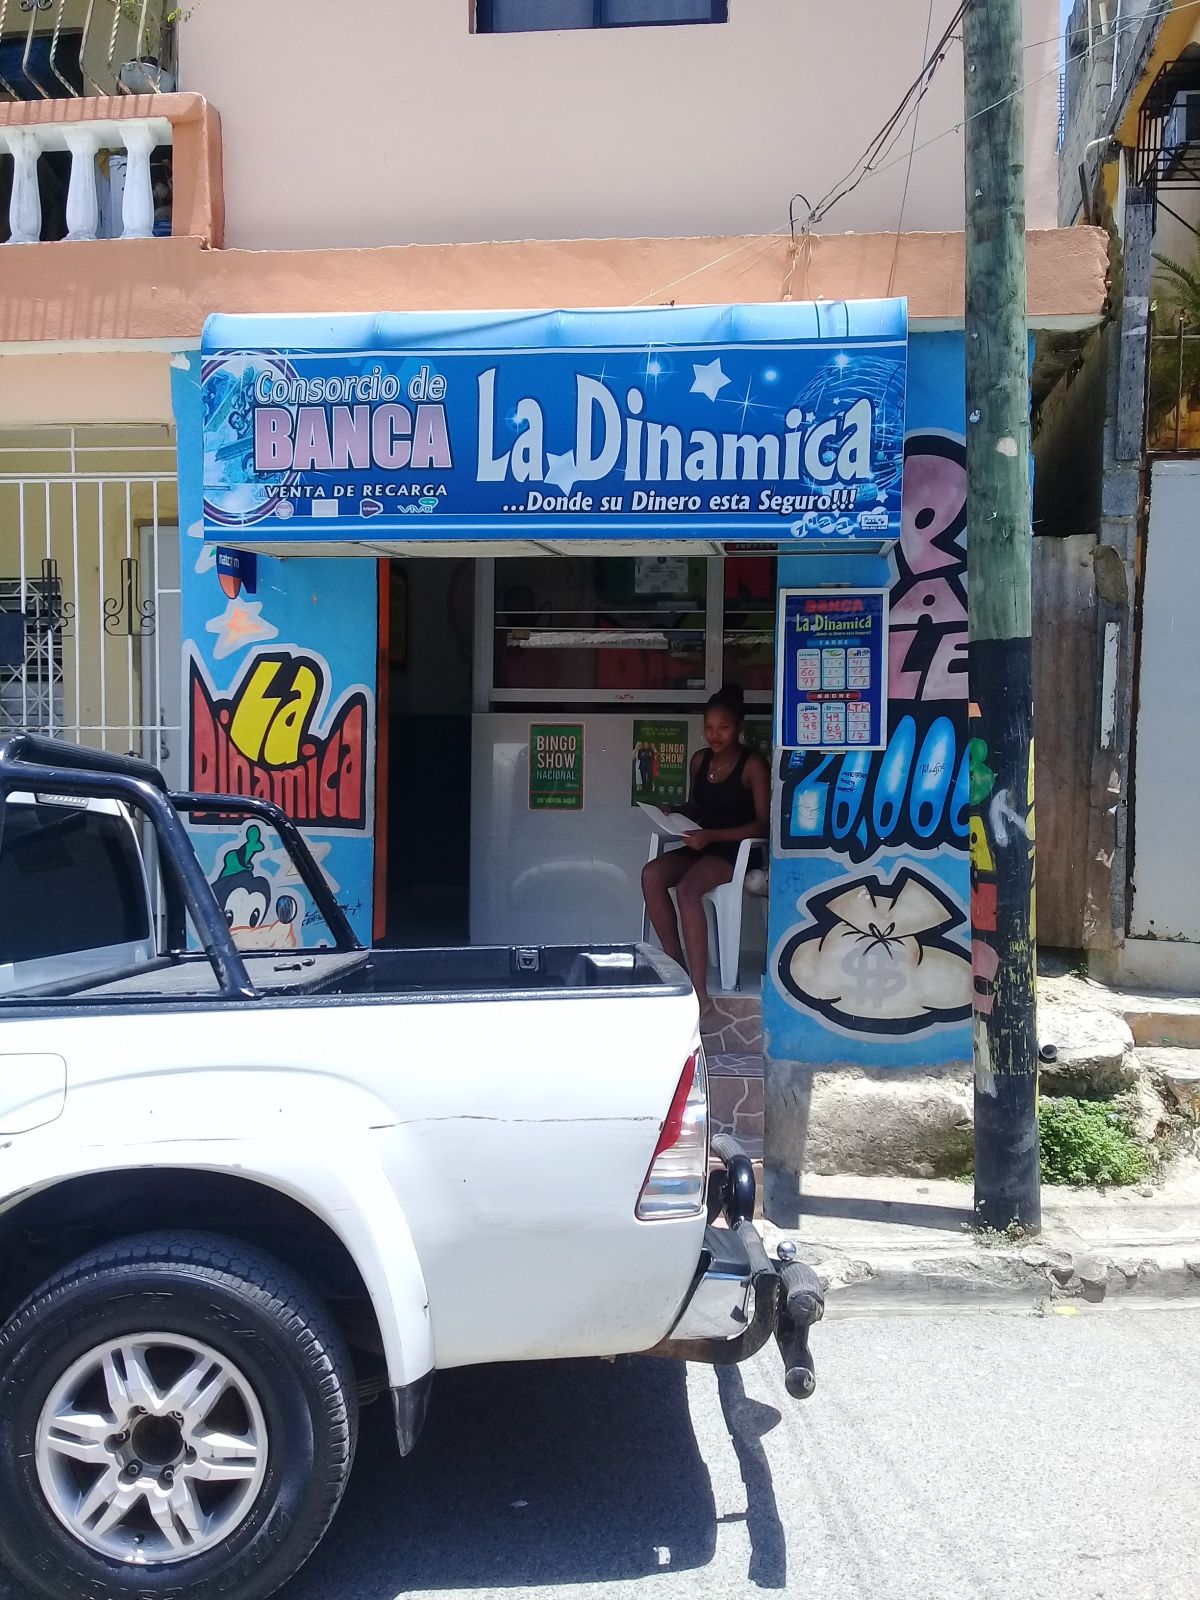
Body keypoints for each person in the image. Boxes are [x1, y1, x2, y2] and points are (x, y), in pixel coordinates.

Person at [640, 683, 770, 1028]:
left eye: (723, 727)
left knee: (687, 889)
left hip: (736, 849)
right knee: (652, 875)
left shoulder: (752, 765)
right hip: (702, 844)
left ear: (738, 726)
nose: (715, 735)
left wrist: (711, 835)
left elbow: (764, 824)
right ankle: (677, 972)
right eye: (709, 727)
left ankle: (701, 995)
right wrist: (674, 811)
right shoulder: (699, 760)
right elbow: (697, 807)